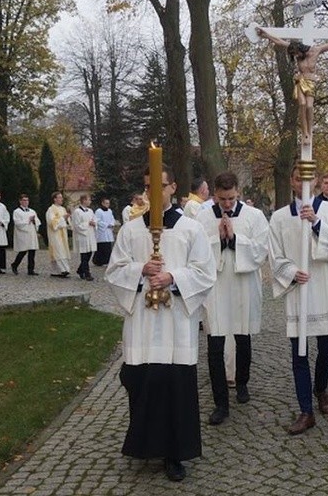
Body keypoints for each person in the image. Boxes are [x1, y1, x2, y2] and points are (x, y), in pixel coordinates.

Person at [106, 164, 216, 482]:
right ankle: (145, 446)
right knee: (142, 383)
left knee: (175, 388)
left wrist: (173, 277)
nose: (153, 192)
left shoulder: (190, 229)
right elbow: (114, 271)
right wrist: (140, 271)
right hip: (141, 322)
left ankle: (174, 454)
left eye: (160, 186)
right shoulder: (130, 231)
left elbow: (205, 273)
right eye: (147, 187)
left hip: (176, 325)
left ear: (172, 188)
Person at [268, 165, 328, 435]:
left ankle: (321, 389)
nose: (302, 182)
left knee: (326, 348)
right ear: (292, 182)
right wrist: (291, 272)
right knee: (299, 352)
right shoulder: (280, 217)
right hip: (300, 289)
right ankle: (306, 410)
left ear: (316, 181)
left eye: (308, 177)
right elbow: (274, 255)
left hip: (325, 286)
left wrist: (316, 223)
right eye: (297, 177)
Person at [196, 172, 270, 426]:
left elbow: (262, 249)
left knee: (242, 335)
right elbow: (194, 250)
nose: (227, 204)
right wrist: (218, 239)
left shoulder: (254, 216)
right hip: (215, 284)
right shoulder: (202, 217)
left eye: (231, 198)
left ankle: (242, 383)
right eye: (222, 199)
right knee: (215, 343)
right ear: (215, 194)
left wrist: (235, 239)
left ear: (238, 192)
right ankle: (220, 403)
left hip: (242, 283)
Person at [256, 26, 328, 142]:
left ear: (301, 49)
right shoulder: (294, 52)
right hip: (300, 81)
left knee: (310, 106)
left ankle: (310, 131)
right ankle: (305, 133)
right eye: (294, 55)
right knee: (302, 104)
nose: (296, 57)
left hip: (310, 82)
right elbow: (279, 41)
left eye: (296, 54)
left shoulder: (315, 51)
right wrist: (265, 34)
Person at [11, 194, 41, 275]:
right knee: (23, 251)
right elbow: (17, 223)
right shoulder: (17, 211)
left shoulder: (32, 211)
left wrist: (34, 221)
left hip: (31, 233)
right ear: (20, 201)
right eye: (24, 200)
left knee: (32, 251)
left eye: (27, 200)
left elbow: (38, 222)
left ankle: (30, 269)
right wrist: (28, 220)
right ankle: (15, 264)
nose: (26, 202)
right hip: (23, 234)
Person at [46, 191, 71, 278]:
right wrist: (62, 218)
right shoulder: (51, 209)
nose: (61, 199)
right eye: (59, 197)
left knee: (62, 251)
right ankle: (62, 270)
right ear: (55, 199)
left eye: (61, 197)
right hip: (55, 234)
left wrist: (67, 219)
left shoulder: (63, 209)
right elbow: (52, 222)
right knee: (58, 251)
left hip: (63, 234)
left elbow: (67, 222)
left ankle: (58, 271)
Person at [72, 194, 98, 281]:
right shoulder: (77, 212)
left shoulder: (90, 211)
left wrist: (94, 223)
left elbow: (95, 219)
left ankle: (80, 270)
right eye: (88, 200)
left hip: (90, 234)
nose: (90, 201)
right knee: (84, 255)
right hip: (82, 236)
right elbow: (76, 225)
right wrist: (87, 224)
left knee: (89, 253)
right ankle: (87, 273)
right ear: (83, 200)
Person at [93, 197, 116, 266]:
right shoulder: (98, 211)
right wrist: (106, 225)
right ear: (102, 203)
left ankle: (107, 260)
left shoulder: (110, 211)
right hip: (102, 232)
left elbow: (112, 218)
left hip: (108, 231)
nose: (107, 205)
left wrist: (112, 224)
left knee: (108, 247)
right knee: (101, 247)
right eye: (106, 203)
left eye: (108, 203)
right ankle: (99, 261)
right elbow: (97, 220)